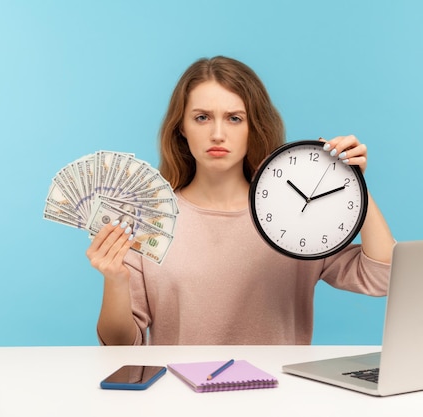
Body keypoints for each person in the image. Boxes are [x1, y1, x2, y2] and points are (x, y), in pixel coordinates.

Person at [86, 56, 396, 346]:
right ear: (182, 126)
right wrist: (115, 280)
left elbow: (381, 277)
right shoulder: (149, 220)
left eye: (235, 118)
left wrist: (354, 183)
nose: (218, 134)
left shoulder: (295, 212)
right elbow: (121, 345)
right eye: (202, 117)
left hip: (278, 396)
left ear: (253, 127)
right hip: (181, 398)